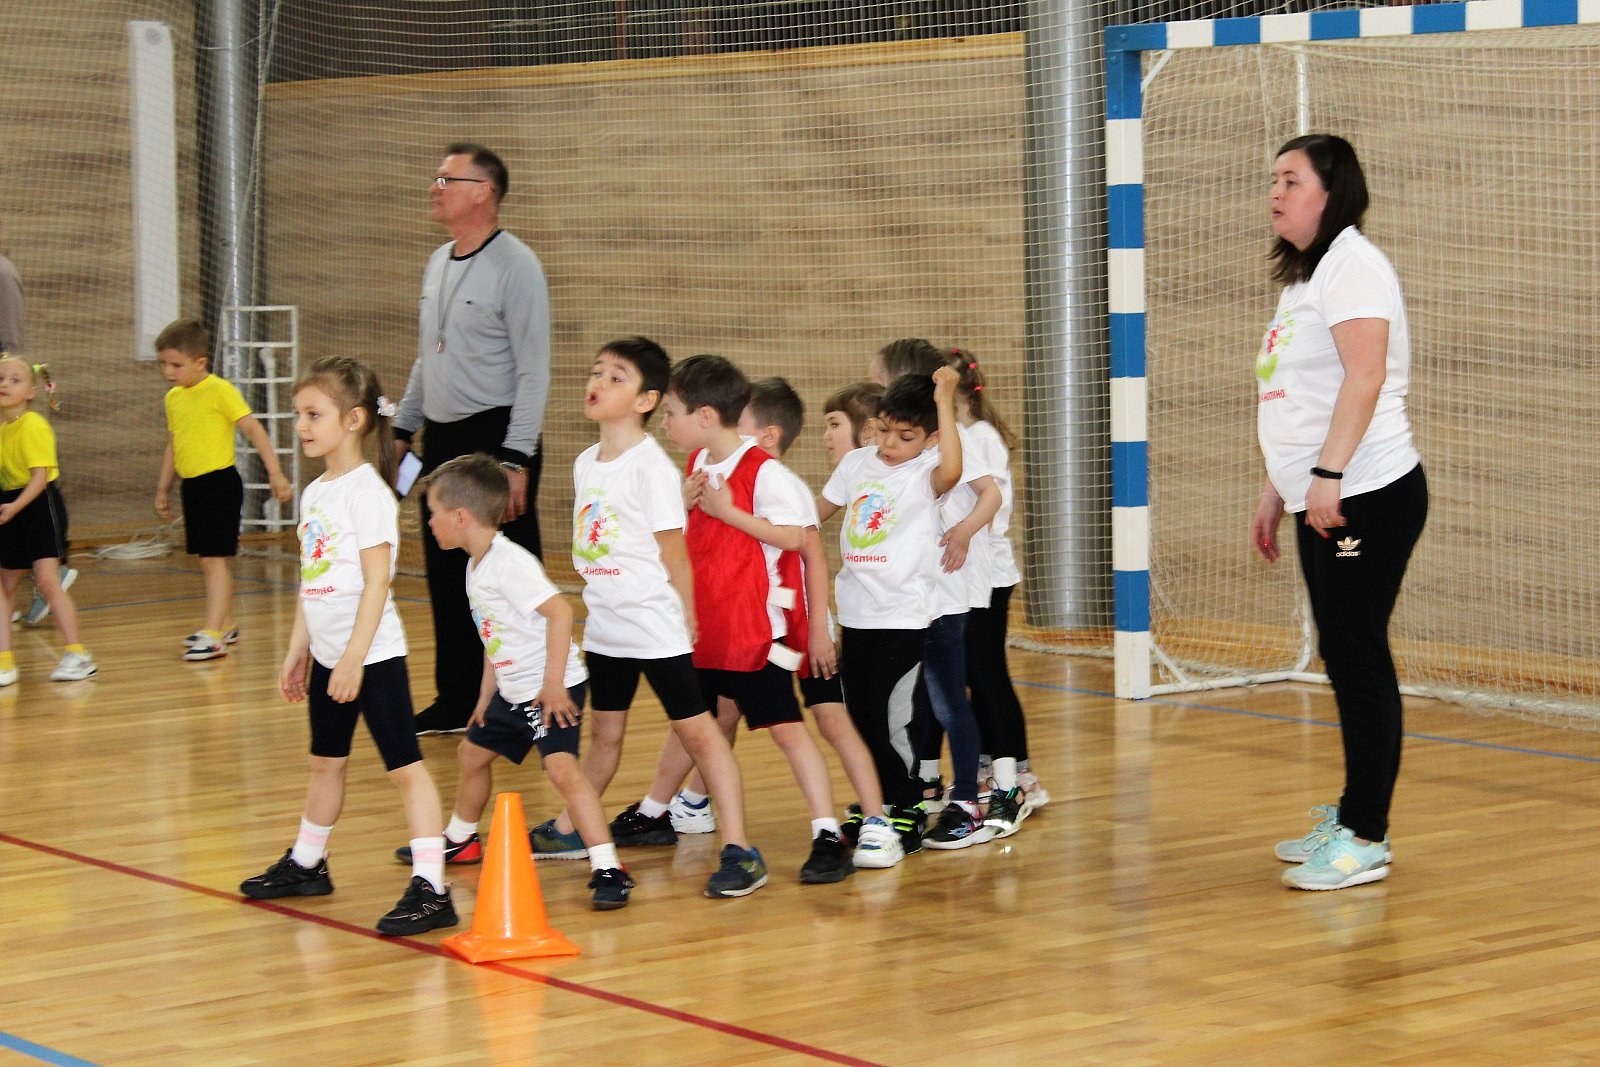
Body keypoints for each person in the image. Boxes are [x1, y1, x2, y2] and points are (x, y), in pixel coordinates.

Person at [1252, 134, 1428, 892]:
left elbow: (1366, 375)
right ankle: (1354, 813)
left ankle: (1366, 836)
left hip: (1367, 490)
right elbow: (1295, 396)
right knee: (1344, 652)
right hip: (1321, 494)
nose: (1276, 192)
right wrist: (1279, 485)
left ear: (1332, 192)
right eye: (1274, 179)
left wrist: (1327, 474)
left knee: (1357, 655)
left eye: (1291, 180)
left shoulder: (1354, 263)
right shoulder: (1306, 279)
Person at [538, 336, 765, 899]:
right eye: (596, 372)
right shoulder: (585, 462)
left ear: (646, 400)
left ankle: (740, 849)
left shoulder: (651, 468)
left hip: (655, 627)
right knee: (605, 734)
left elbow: (673, 552)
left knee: (699, 734)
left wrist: (687, 616)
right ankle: (570, 829)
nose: (598, 382)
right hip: (607, 626)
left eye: (616, 377)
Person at [648, 376, 904, 870]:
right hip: (742, 625)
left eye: (738, 418)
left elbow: (808, 554)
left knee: (820, 722)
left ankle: (873, 821)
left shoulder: (773, 480)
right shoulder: (705, 465)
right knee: (719, 714)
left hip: (792, 625)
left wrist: (817, 631)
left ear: (764, 433)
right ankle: (690, 803)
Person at [240, 356, 456, 936]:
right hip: (331, 657)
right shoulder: (316, 493)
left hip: (372, 657)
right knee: (325, 763)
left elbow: (378, 582)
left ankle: (433, 887)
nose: (301, 426)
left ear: (354, 419)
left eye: (314, 414)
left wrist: (356, 659)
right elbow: (313, 580)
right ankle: (308, 863)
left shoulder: (369, 494)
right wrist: (299, 649)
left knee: (405, 769)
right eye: (299, 415)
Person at [631, 355, 848, 885]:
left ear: (705, 416)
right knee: (693, 726)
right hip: (704, 631)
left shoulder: (766, 473)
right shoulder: (696, 464)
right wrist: (683, 506)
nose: (665, 422)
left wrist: (730, 513)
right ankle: (657, 812)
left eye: (672, 412)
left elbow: (797, 539)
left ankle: (828, 834)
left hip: (756, 634)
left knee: (787, 731)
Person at [394, 454, 634, 910]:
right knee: (470, 754)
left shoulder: (510, 563)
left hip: (550, 690)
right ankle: (461, 839)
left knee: (562, 771)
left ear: (460, 517)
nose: (429, 523)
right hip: (513, 691)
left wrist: (552, 686)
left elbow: (560, 612)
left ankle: (608, 867)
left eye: (433, 513)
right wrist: (486, 696)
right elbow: (495, 635)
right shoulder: (475, 565)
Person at [394, 143, 551, 736]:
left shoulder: (517, 265)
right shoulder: (437, 261)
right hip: (442, 435)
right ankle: (457, 698)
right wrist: (403, 428)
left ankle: (531, 696)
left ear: (482, 191)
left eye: (446, 179)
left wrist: (515, 457)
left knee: (508, 574)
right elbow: (427, 355)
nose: (434, 188)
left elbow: (534, 369)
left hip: (497, 437)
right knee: (444, 568)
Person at [817, 367, 964, 855]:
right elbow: (816, 514)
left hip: (901, 617)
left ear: (931, 438)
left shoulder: (926, 473)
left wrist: (944, 399)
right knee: (859, 715)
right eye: (882, 430)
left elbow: (953, 471)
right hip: (855, 613)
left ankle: (907, 804)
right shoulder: (856, 463)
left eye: (905, 436)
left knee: (890, 716)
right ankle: (877, 799)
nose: (889, 444)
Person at [947, 347, 1049, 826]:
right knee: (974, 672)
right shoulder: (963, 436)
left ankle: (1020, 774)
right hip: (969, 573)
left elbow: (990, 510)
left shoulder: (979, 437)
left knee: (987, 673)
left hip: (987, 573)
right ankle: (990, 766)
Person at [152, 319, 293, 660]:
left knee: (214, 561)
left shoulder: (220, 390)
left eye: (176, 365)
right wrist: (163, 488)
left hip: (219, 485)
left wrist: (276, 474)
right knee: (209, 561)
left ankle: (213, 634)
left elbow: (254, 430)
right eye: (163, 364)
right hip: (193, 487)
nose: (168, 372)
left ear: (200, 362)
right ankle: (225, 624)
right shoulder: (173, 398)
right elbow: (173, 445)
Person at [0, 358, 95, 683]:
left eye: (14, 380)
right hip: (9, 504)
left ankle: (78, 654)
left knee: (47, 582)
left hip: (39, 505)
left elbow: (40, 478)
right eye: (0, 378)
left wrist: (15, 507)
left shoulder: (34, 425)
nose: (4, 384)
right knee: (5, 586)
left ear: (31, 391)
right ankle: (5, 662)